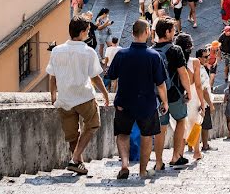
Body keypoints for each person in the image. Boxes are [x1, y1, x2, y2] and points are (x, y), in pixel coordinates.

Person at [46, 15, 110, 176]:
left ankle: (77, 162)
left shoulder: (56, 51)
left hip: (65, 98)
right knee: (93, 124)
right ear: (82, 32)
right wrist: (106, 94)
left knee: (72, 135)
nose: (88, 34)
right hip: (84, 97)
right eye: (88, 31)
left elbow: (52, 77)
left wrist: (53, 96)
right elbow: (95, 77)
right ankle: (76, 158)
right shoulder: (88, 52)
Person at [107, 20, 168, 179]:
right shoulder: (154, 56)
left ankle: (125, 165)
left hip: (124, 103)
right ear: (147, 32)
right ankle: (142, 170)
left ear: (132, 33)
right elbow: (160, 84)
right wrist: (165, 102)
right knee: (147, 135)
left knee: (122, 134)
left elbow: (111, 75)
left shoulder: (121, 54)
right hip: (147, 104)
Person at [152, 18, 192, 170]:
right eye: (173, 30)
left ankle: (158, 162)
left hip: (157, 96)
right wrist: (188, 91)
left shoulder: (152, 50)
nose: (174, 33)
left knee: (161, 127)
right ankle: (176, 156)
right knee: (181, 120)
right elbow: (183, 73)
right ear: (167, 32)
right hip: (174, 94)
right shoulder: (175, 50)